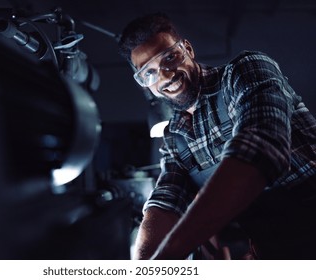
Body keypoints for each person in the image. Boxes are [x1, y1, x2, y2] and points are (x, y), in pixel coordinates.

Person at [118, 12, 316, 260]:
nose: (166, 76)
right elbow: (166, 202)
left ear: (187, 49)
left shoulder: (244, 72)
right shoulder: (174, 138)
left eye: (170, 57)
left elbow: (262, 151)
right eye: (150, 73)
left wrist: (166, 257)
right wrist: (145, 267)